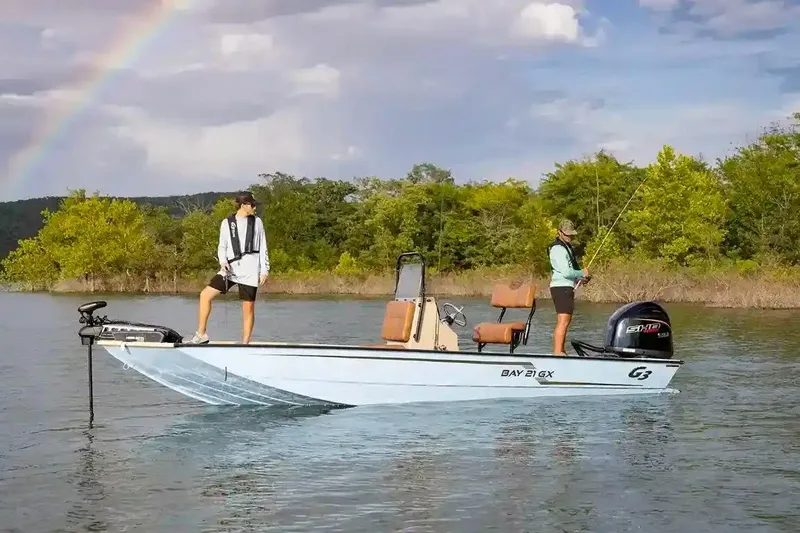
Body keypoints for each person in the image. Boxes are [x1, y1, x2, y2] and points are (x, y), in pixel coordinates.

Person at [188, 191, 270, 344]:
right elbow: (222, 245)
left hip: (250, 269)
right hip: (230, 269)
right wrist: (222, 261)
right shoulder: (227, 222)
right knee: (205, 295)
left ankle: (245, 343)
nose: (254, 208)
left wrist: (264, 269)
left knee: (248, 308)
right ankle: (201, 334)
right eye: (252, 205)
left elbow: (263, 246)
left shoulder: (257, 222)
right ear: (244, 205)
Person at [548, 219, 590, 355]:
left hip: (565, 287)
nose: (569, 237)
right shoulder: (558, 249)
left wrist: (580, 278)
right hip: (561, 288)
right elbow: (566, 272)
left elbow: (569, 269)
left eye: (571, 234)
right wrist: (581, 272)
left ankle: (561, 350)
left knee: (565, 321)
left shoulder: (566, 247)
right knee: (563, 321)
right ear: (559, 232)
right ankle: (558, 352)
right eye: (566, 234)